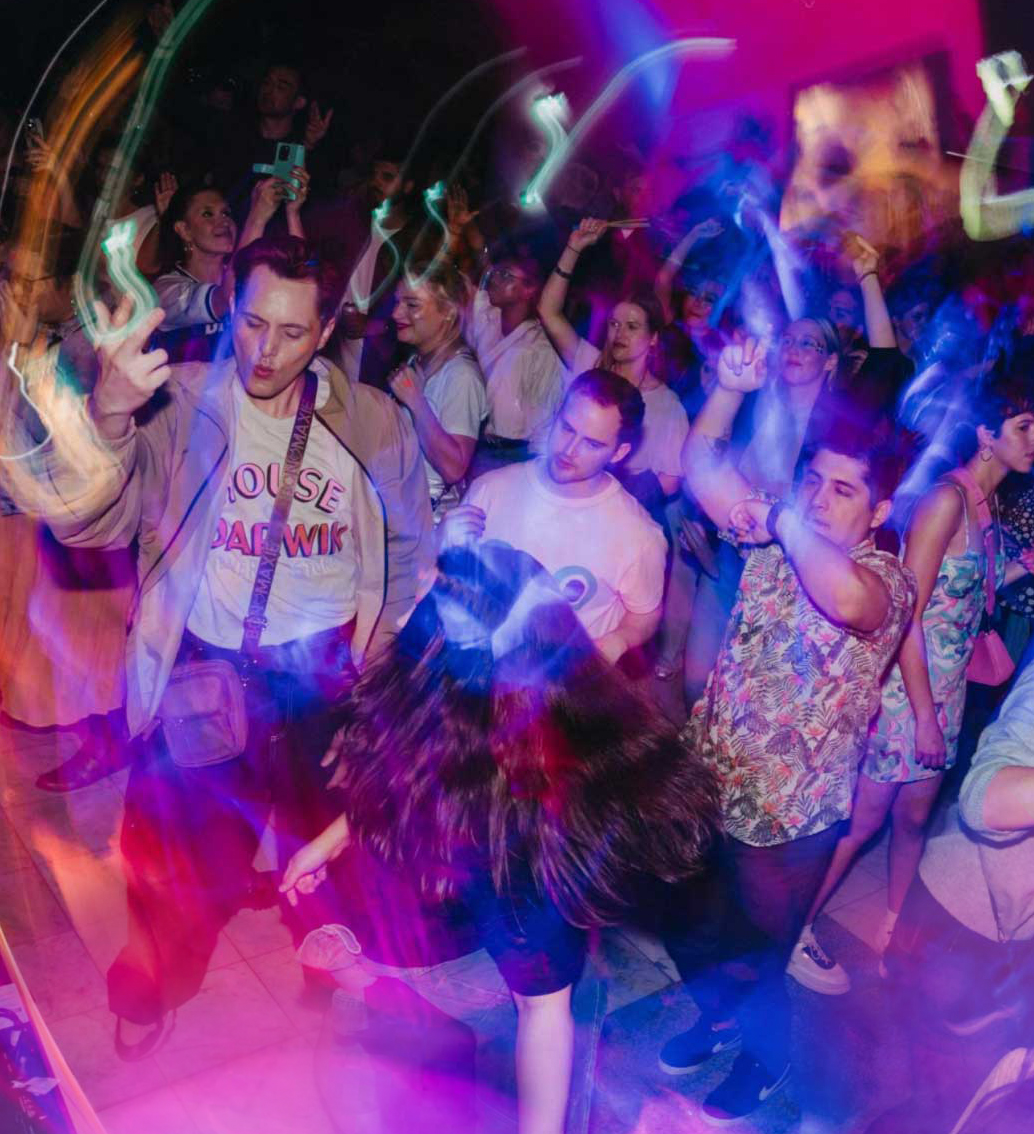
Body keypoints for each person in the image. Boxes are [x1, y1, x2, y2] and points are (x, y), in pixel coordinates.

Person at [30, 234, 433, 1037]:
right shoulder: (179, 403)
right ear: (230, 309)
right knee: (175, 857)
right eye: (252, 324)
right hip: (204, 671)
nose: (265, 350)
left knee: (336, 857)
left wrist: (379, 662)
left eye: (291, 333)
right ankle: (154, 988)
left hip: (324, 680)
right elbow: (84, 526)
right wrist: (109, 411)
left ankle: (346, 974)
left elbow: (410, 550)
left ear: (324, 334)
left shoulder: (373, 421)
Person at [279, 540, 721, 1134]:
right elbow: (404, 769)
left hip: (454, 978)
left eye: (427, 596)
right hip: (398, 959)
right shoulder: (446, 710)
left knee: (408, 1098)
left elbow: (543, 1010)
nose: (408, 609)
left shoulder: (520, 821)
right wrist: (331, 841)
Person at [658, 337, 916, 1124]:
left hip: (793, 816)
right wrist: (730, 392)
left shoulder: (886, 581)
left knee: (761, 956)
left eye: (844, 490)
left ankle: (769, 1068)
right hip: (714, 779)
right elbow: (702, 464)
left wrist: (777, 514)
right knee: (698, 930)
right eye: (814, 480)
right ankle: (718, 1017)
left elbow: (844, 602)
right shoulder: (775, 538)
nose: (819, 498)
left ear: (879, 512)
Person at [789, 368, 1034, 994]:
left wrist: (1020, 569)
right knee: (863, 822)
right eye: (1024, 426)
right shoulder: (946, 500)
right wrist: (923, 716)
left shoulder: (990, 508)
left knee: (916, 820)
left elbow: (971, 594)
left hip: (948, 695)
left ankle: (897, 933)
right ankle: (794, 929)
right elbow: (909, 612)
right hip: (908, 690)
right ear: (985, 432)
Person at [860, 649, 1034, 1134]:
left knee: (985, 1094)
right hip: (956, 921)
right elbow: (984, 796)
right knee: (932, 1093)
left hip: (1022, 944)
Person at [444, 369, 667, 665]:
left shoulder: (638, 534)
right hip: (480, 670)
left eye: (592, 444)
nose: (569, 450)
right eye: (567, 428)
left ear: (618, 453)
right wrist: (442, 541)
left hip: (562, 689)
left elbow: (645, 612)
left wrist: (617, 641)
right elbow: (456, 576)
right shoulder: (491, 488)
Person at [539, 217, 689, 508]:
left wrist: (612, 497)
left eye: (632, 327)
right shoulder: (590, 366)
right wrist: (573, 249)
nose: (619, 333)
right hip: (560, 496)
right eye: (614, 324)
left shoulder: (666, 404)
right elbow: (548, 311)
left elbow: (671, 481)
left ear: (654, 338)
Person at [152, 170, 308, 361]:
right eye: (208, 214)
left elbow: (302, 290)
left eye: (226, 213)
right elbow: (225, 300)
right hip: (188, 390)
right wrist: (257, 217)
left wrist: (293, 213)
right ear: (184, 230)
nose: (224, 221)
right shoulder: (166, 290)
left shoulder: (250, 273)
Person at [388, 261, 488, 510]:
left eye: (411, 305)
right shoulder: (418, 359)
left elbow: (454, 468)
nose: (396, 314)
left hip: (429, 528)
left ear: (449, 312)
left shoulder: (462, 376)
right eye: (397, 302)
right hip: (404, 512)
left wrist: (415, 402)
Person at [467, 251, 564, 476]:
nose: (495, 279)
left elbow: (545, 418)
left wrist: (534, 472)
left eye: (506, 276)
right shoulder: (487, 322)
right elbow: (475, 291)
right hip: (477, 446)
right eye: (495, 273)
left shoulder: (540, 347)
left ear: (529, 290)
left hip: (513, 455)